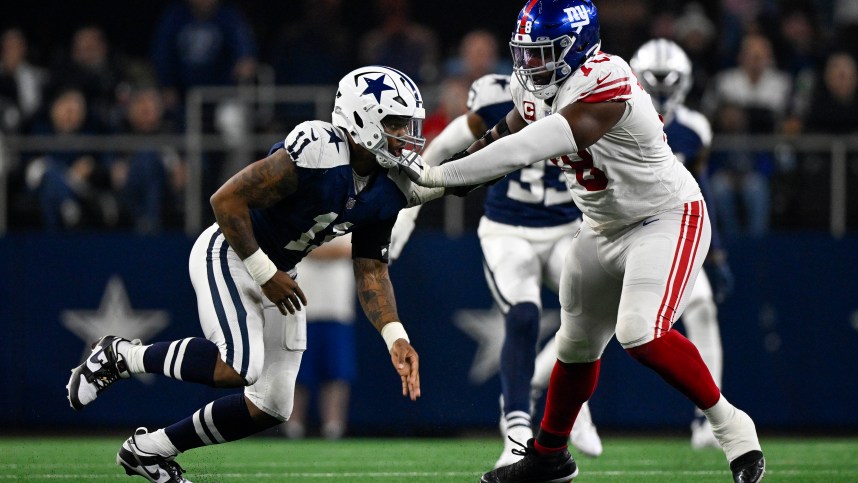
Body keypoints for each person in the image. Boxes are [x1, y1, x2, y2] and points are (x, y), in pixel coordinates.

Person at [396, 2, 765, 482]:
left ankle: (732, 427)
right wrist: (465, 161)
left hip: (665, 218)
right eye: (525, 53)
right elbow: (508, 128)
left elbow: (526, 147)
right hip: (602, 226)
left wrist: (436, 178)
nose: (530, 66)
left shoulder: (606, 81)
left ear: (577, 50)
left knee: (640, 333)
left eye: (544, 53)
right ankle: (549, 455)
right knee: (575, 344)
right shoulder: (536, 86)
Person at [66, 65, 445, 482]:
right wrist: (265, 272)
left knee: (272, 404)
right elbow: (226, 200)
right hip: (231, 252)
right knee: (239, 366)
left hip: (278, 271)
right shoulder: (318, 150)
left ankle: (150, 451)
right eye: (394, 121)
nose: (405, 132)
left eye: (408, 121)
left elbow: (372, 270)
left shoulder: (385, 186)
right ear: (359, 118)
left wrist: (396, 337)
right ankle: (120, 355)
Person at [390, 72, 603, 466]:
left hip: (565, 229)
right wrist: (406, 218)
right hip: (508, 229)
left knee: (600, 309)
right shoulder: (496, 101)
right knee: (523, 315)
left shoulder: (582, 100)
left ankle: (562, 394)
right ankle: (518, 431)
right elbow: (437, 152)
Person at [628, 38, 733, 449]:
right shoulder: (616, 114)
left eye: (668, 83)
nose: (661, 92)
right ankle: (530, 396)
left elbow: (700, 189)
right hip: (620, 230)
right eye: (654, 83)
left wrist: (717, 253)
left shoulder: (693, 129)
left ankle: (710, 418)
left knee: (704, 309)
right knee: (584, 327)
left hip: (673, 235)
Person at [285, 235, 356, 440]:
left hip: (337, 308)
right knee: (297, 372)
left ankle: (334, 425)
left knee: (337, 372)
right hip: (301, 308)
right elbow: (294, 247)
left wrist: (314, 250)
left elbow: (351, 249)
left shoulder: (348, 219)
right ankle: (293, 424)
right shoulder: (301, 217)